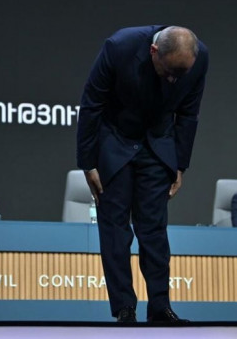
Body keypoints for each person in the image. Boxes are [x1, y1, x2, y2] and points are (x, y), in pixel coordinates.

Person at [77, 25, 209, 323]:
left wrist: (180, 164)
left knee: (154, 230)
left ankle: (160, 307)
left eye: (180, 74)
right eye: (169, 72)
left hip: (157, 146)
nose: (174, 80)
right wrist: (88, 163)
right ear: (153, 52)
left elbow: (189, 114)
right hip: (115, 143)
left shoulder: (200, 57)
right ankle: (124, 308)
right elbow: (91, 105)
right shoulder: (119, 47)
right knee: (115, 230)